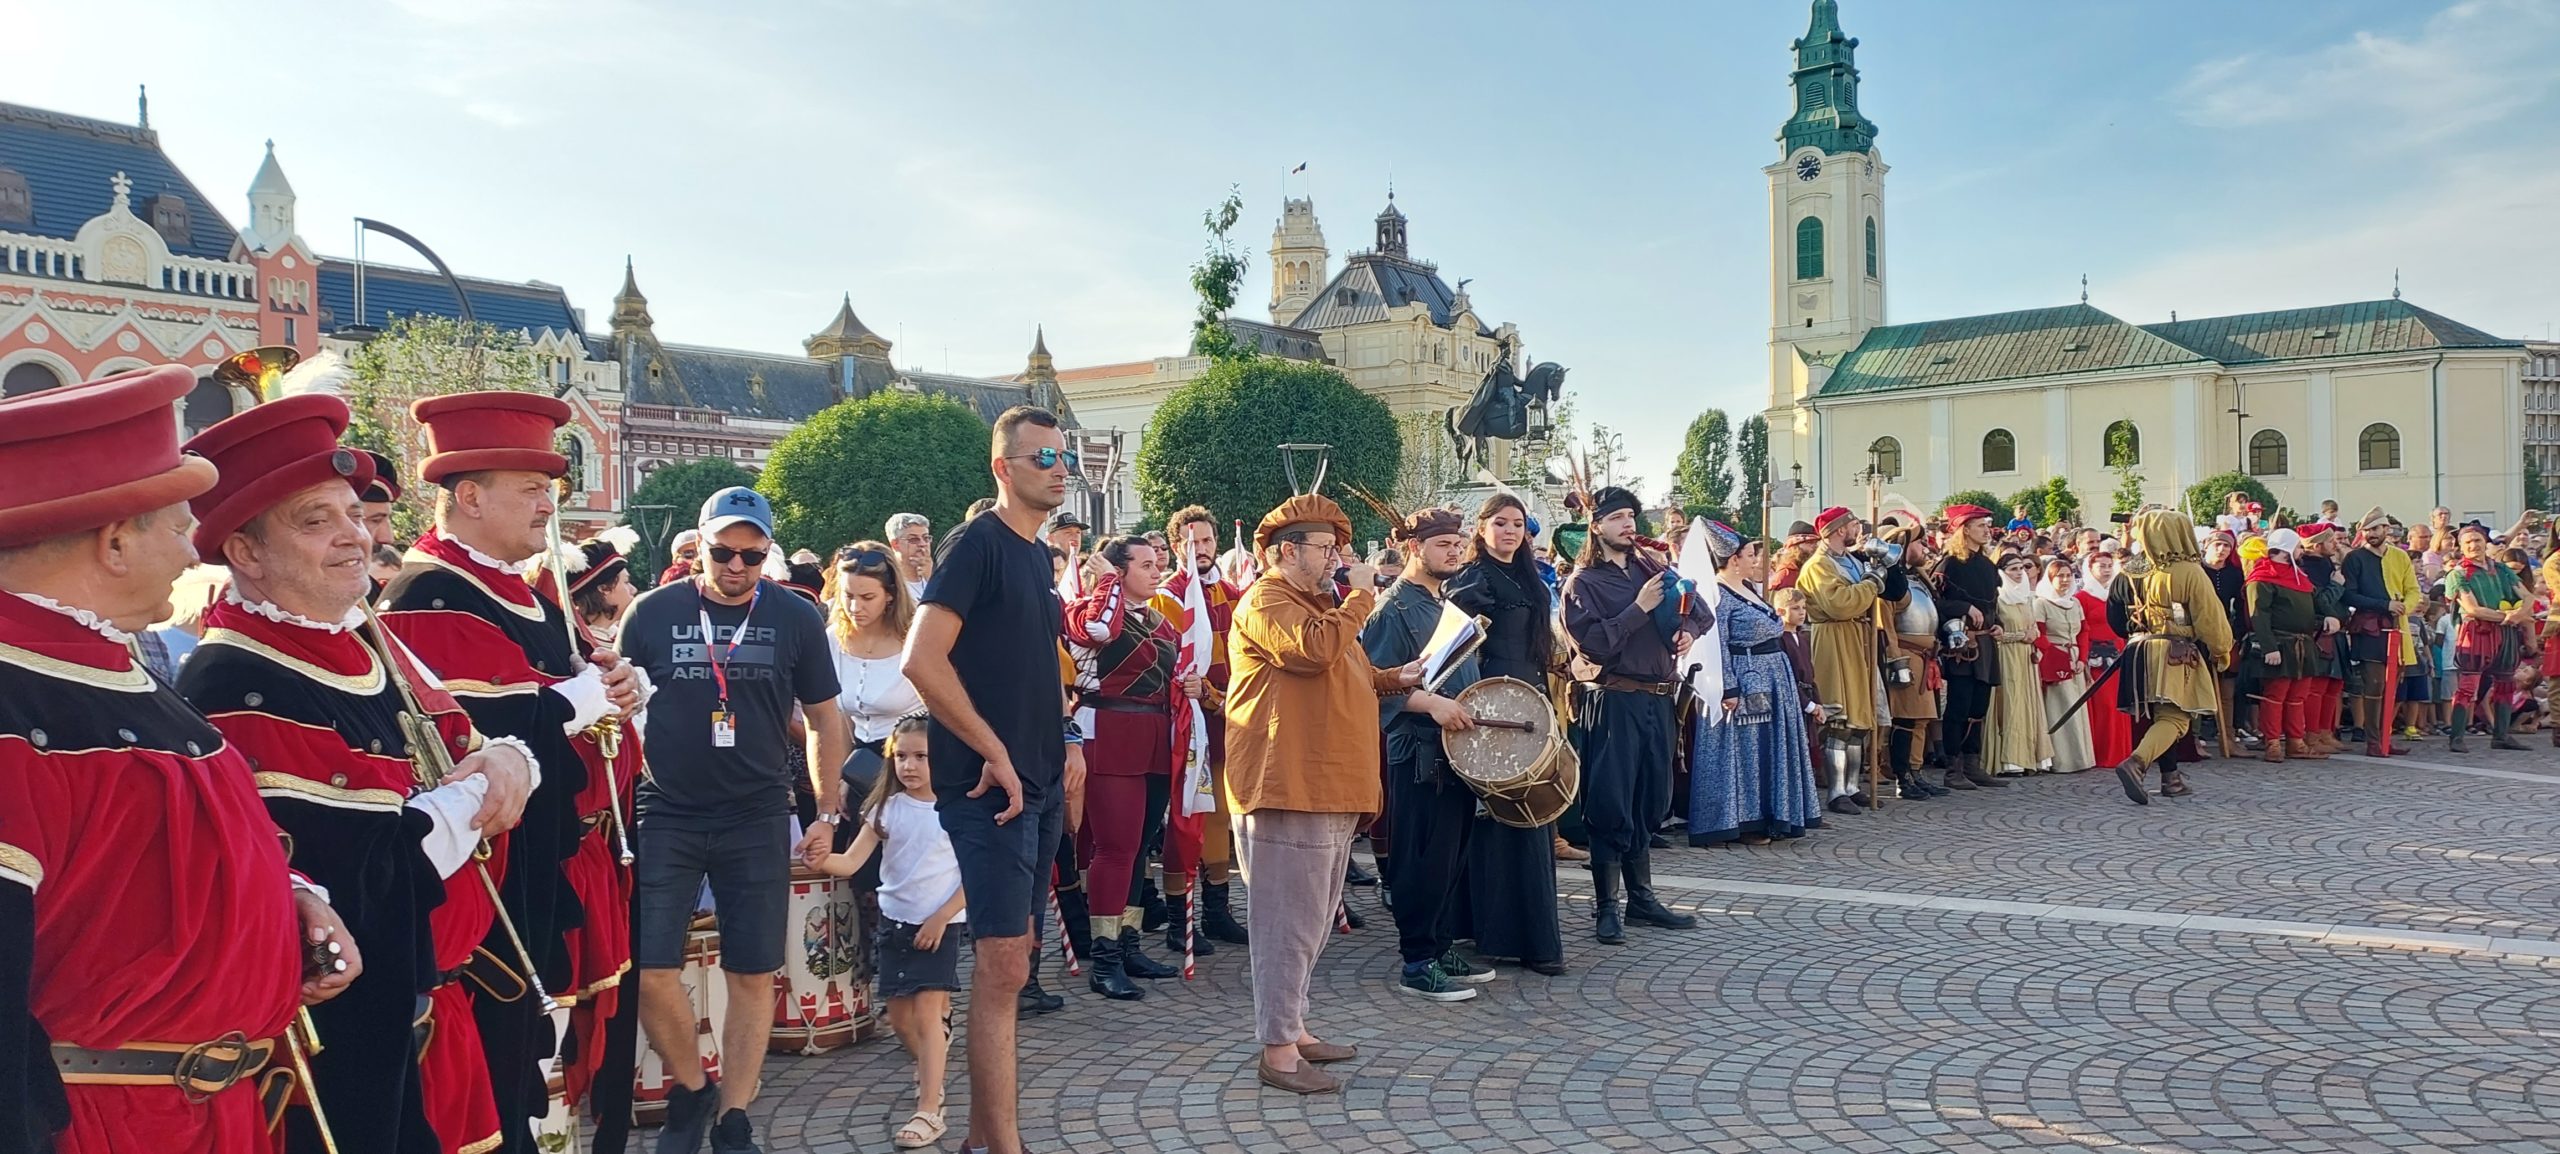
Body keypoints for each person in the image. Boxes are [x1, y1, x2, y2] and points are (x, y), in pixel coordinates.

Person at [0, 365, 366, 1154]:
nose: (189, 550)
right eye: (174, 526)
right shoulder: (13, 706)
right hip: (106, 1129)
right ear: (115, 540)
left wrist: (286, 896)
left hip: (213, 1115)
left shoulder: (118, 673)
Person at [174, 393, 537, 1154]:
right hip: (349, 1051)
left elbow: (468, 744)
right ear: (244, 552)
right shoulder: (234, 679)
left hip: (442, 1011)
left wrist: (509, 756)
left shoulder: (364, 642)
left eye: (353, 513)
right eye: (317, 520)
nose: (355, 537)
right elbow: (365, 868)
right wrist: (478, 789)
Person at [379, 391, 644, 1154]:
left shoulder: (518, 589)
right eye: (529, 488)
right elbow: (474, 734)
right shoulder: (428, 593)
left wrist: (616, 688)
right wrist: (586, 696)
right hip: (494, 887)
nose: (547, 504)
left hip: (555, 863)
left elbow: (561, 693)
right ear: (468, 496)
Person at [616, 486, 844, 1154]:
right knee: (651, 967)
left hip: (757, 812)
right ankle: (692, 1088)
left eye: (752, 554)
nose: (737, 566)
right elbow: (616, 712)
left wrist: (824, 811)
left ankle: (735, 1115)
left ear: (768, 553)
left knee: (752, 969)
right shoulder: (651, 613)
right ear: (700, 546)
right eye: (723, 552)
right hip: (666, 810)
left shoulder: (796, 618)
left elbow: (826, 719)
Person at [900, 406, 1072, 1154]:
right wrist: (993, 751)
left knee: (1017, 955)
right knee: (1002, 960)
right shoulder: (978, 544)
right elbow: (921, 659)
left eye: (1064, 458)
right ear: (1004, 469)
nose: (1059, 469)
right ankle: (999, 1145)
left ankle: (986, 1137)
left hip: (1037, 783)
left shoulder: (1038, 557)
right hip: (986, 787)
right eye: (1042, 458)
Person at [1224, 492, 1412, 1094]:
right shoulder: (1267, 599)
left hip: (1324, 783)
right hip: (1288, 784)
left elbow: (1341, 666)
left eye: (1338, 547)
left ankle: (1294, 1027)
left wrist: (1392, 678)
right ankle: (1278, 1052)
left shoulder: (1313, 603)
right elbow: (1313, 652)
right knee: (1286, 924)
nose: (1337, 557)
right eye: (1326, 547)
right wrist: (1361, 594)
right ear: (1288, 551)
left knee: (1309, 921)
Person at [1561, 486, 1710, 945]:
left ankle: (1642, 898)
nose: (1629, 524)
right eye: (1618, 517)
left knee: (1649, 798)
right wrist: (1638, 609)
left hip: (1659, 698)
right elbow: (1594, 645)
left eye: (1631, 516)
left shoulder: (1654, 567)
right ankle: (1606, 906)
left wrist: (1685, 630)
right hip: (1614, 701)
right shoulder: (1582, 582)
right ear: (1597, 525)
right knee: (1610, 800)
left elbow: (1700, 611)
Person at [1361, 507, 1496, 1001]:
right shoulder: (1391, 609)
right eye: (1443, 544)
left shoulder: (1444, 604)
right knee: (1421, 861)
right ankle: (1417, 961)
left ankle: (1438, 946)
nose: (1454, 551)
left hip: (1455, 753)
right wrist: (1433, 705)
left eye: (1458, 543)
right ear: (1414, 548)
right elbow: (1371, 684)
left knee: (1450, 858)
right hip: (1417, 754)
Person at [816, 716, 965, 1151]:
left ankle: (929, 1106)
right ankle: (933, 1054)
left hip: (939, 926)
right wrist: (819, 859)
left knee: (924, 1014)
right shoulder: (885, 809)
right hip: (895, 924)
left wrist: (941, 917)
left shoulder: (954, 813)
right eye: (901, 756)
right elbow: (849, 862)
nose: (910, 766)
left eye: (921, 757)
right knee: (900, 1020)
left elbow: (972, 879)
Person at [1061, 535, 1191, 998]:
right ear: (1115, 570)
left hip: (1153, 735)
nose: (1158, 572)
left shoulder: (1160, 621)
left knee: (1138, 848)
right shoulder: (1084, 608)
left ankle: (1129, 940)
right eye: (1145, 565)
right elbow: (1100, 632)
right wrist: (1108, 582)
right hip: (1108, 730)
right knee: (1114, 847)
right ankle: (1105, 956)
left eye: (1159, 564)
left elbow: (1166, 675)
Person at [1444, 492, 1566, 972]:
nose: (1510, 531)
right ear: (1482, 529)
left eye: (1517, 523)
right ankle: (1500, 933)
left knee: (1531, 814)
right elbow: (1455, 644)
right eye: (1500, 523)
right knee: (1499, 817)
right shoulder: (1472, 578)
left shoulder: (1529, 575)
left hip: (1532, 697)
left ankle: (1527, 933)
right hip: (1493, 704)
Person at [1684, 521, 1822, 845]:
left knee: (1765, 749)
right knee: (1745, 753)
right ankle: (1742, 821)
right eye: (1749, 555)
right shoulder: (1719, 594)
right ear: (1733, 559)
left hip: (1773, 676)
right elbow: (1717, 642)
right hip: (1746, 679)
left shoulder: (1750, 590)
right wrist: (1728, 687)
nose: (1755, 560)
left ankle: (1771, 813)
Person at [1152, 506, 1249, 949]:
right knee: (1185, 817)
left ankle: (1217, 910)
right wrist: (1206, 695)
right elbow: (1169, 665)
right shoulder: (1167, 598)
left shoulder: (1232, 592)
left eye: (1208, 541)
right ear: (1177, 547)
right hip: (1187, 723)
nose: (1202, 549)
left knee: (1220, 818)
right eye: (1192, 542)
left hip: (1228, 719)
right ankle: (1178, 919)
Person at [2107, 508, 2235, 803]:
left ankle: (2171, 778)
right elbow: (2211, 620)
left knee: (2158, 719)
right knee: (2175, 720)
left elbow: (2114, 615)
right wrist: (2221, 651)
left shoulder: (2130, 570)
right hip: (2174, 653)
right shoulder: (2189, 571)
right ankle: (2136, 763)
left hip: (2137, 652)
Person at [1794, 506, 1904, 812]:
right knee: (1839, 719)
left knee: (1859, 720)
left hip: (1858, 639)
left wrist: (1874, 577)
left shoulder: (1851, 561)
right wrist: (1871, 583)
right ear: (1840, 529)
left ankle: (1854, 786)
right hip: (1834, 639)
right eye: (1853, 524)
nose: (1858, 529)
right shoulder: (1819, 566)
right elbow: (1839, 604)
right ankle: (1836, 791)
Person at [1933, 505, 2008, 789]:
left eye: (1987, 526)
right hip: (1962, 644)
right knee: (1959, 705)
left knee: (1980, 705)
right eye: (1980, 526)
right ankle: (1953, 768)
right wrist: (1964, 606)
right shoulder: (1949, 564)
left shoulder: (1987, 565)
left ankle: (1972, 763)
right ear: (1964, 530)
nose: (1987, 531)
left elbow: (1991, 603)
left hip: (1986, 642)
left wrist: (1997, 622)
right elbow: (1936, 604)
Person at [2444, 522, 2530, 752]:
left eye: (2478, 540)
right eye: (2468, 542)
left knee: (2506, 683)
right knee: (2467, 686)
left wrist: (2518, 614)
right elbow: (2472, 608)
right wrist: (2507, 616)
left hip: (2505, 632)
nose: (2474, 545)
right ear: (2461, 547)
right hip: (2476, 632)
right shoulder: (2457, 574)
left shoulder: (2502, 570)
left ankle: (2501, 736)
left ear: (2485, 543)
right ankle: (2457, 738)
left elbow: (2526, 596)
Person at [1877, 521, 1948, 798]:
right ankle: (1902, 777)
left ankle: (1916, 772)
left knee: (1921, 719)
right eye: (1919, 543)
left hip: (1926, 656)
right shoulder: (1891, 583)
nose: (1924, 548)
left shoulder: (1919, 579)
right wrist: (1895, 659)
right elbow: (1886, 626)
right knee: (1904, 720)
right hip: (1906, 655)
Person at [2245, 529, 2322, 763]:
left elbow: (2311, 607)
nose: (2302, 551)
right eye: (2298, 547)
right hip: (2280, 643)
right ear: (2286, 550)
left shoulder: (2300, 577)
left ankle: (2296, 741)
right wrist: (2269, 647)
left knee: (2298, 696)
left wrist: (2326, 618)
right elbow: (2259, 615)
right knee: (2275, 695)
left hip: (2302, 644)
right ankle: (2272, 742)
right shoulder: (2261, 579)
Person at [1981, 550, 2054, 775]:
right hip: (2008, 657)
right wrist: (2021, 636)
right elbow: (1996, 633)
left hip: (2026, 659)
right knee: (2012, 705)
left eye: (2021, 568)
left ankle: (2033, 757)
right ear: (2002, 572)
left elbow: (2032, 628)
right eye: (2013, 569)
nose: (2019, 573)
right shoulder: (1998, 598)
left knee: (2029, 704)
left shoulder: (2025, 598)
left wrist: (2032, 641)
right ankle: (2011, 760)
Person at [2339, 508, 2403, 756]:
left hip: (2396, 624)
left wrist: (2407, 604)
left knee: (2392, 684)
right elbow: (2349, 594)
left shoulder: (2397, 556)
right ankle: (2373, 740)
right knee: (2374, 683)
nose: (2374, 533)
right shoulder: (2355, 559)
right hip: (2368, 626)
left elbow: (2410, 586)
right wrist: (2383, 604)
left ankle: (2385, 738)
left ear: (2387, 530)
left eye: (2378, 528)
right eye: (2369, 529)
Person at [2293, 523, 2350, 755]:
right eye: (2330, 541)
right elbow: (2321, 601)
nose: (2336, 543)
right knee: (2317, 686)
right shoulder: (2308, 567)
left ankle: (2326, 731)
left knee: (2333, 684)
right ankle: (2312, 734)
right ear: (2317, 545)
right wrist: (2337, 585)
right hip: (2319, 631)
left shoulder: (2326, 563)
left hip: (2336, 630)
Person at [2076, 547, 2134, 768]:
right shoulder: (2082, 597)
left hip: (2119, 653)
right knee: (2103, 706)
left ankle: (2121, 752)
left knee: (2120, 705)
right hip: (2096, 657)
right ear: (2090, 568)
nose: (2107, 570)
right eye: (2101, 565)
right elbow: (2080, 628)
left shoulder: (2117, 594)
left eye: (2110, 566)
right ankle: (2102, 753)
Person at [2035, 556, 2094, 774]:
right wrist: (2058, 656)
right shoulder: (2041, 603)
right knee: (2060, 708)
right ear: (2050, 578)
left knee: (2077, 709)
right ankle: (2062, 760)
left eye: (2069, 575)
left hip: (2074, 660)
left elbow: (2084, 632)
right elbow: (2039, 635)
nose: (2065, 580)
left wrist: (2081, 659)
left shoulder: (2075, 602)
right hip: (2055, 660)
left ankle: (2080, 758)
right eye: (2060, 576)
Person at [887, 512, 933, 601]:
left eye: (926, 538)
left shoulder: (939, 577)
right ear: (895, 544)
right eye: (914, 539)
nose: (923, 544)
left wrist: (931, 578)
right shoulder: (889, 584)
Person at [1047, 508, 1091, 599]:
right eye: (1068, 532)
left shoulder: (1088, 567)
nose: (1075, 536)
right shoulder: (1043, 564)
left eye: (1078, 532)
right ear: (1051, 538)